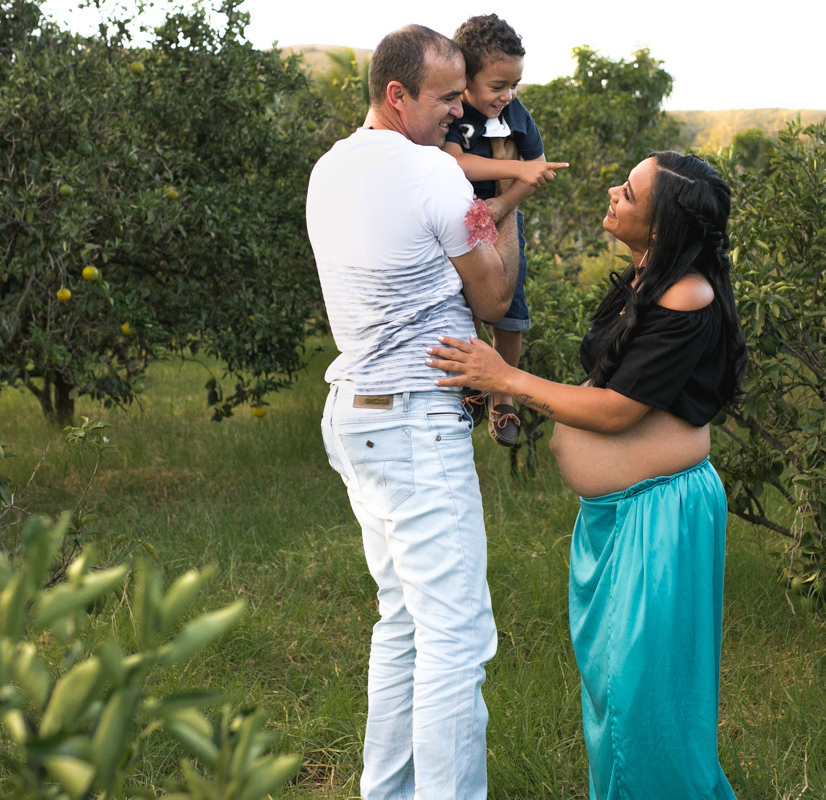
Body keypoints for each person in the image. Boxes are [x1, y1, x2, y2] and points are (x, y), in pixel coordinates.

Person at [426, 151, 746, 799]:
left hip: (659, 516)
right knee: (616, 692)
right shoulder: (647, 281)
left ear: (661, 226)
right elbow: (603, 386)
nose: (612, 192)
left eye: (628, 192)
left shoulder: (687, 294)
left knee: (641, 699)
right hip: (620, 515)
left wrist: (507, 376)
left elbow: (616, 410)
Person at [305, 24, 517, 800]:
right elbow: (494, 297)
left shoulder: (330, 167)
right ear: (397, 95)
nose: (460, 112)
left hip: (356, 415)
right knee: (456, 637)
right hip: (414, 421)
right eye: (446, 98)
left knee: (402, 621)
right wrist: (503, 206)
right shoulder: (432, 173)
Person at [442, 13, 568, 448]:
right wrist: (514, 168)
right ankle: (471, 381)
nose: (508, 95)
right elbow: (456, 162)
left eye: (514, 85)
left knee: (510, 310)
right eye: (498, 86)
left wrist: (502, 203)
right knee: (462, 305)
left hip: (501, 219)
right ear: (465, 79)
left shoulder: (516, 114)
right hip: (456, 223)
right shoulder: (455, 114)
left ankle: (502, 393)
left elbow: (536, 170)